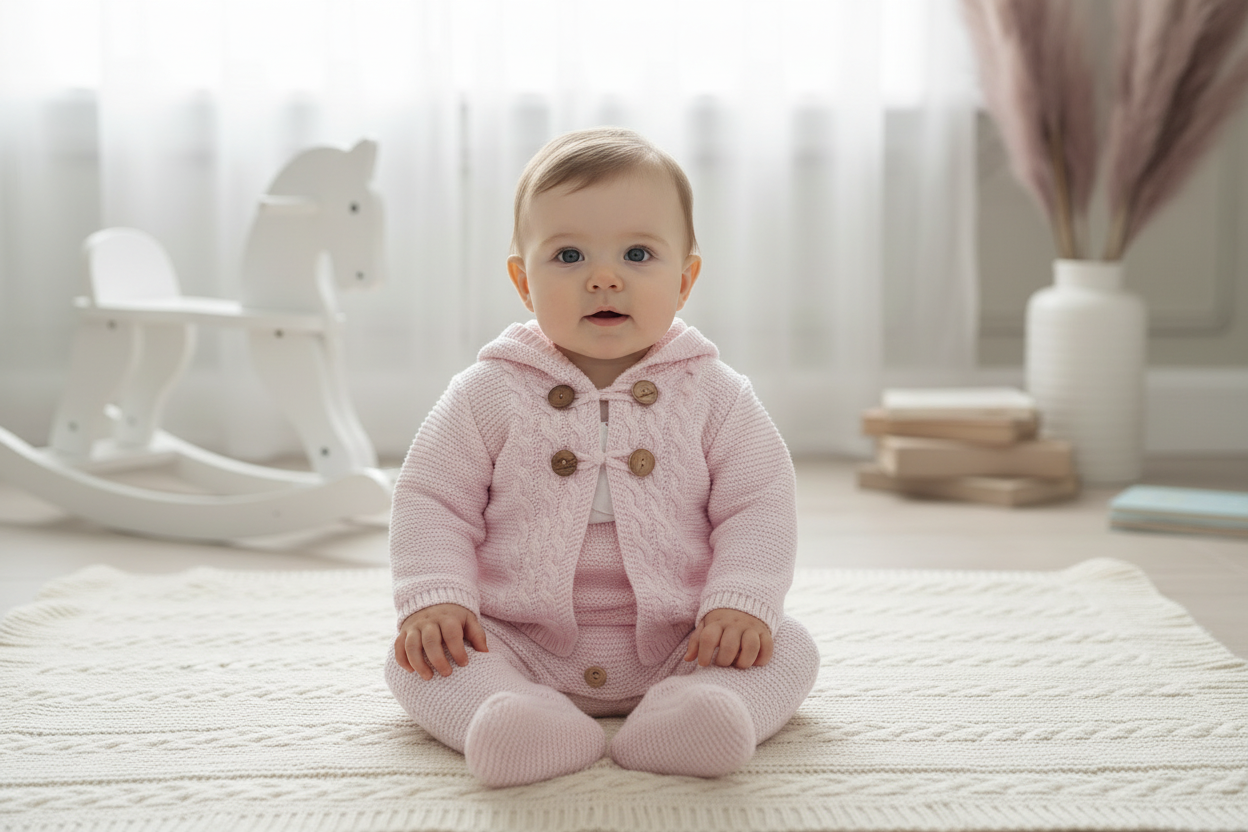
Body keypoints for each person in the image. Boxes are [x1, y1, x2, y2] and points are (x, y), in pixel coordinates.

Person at [385, 126, 820, 788]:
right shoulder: (487, 393)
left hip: (688, 638)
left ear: (685, 279)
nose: (604, 278)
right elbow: (431, 498)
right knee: (415, 660)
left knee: (789, 647)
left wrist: (741, 601)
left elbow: (759, 503)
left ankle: (701, 711)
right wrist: (435, 599)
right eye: (568, 256)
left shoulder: (715, 395)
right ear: (523, 282)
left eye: (638, 254)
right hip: (517, 639)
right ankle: (516, 717)